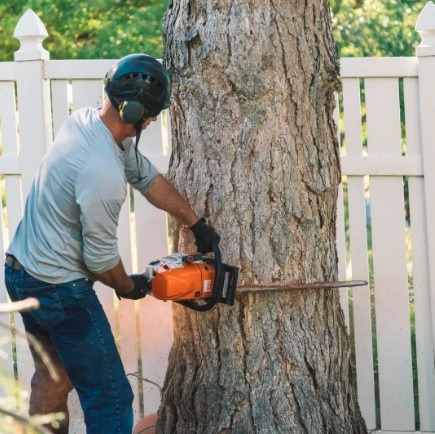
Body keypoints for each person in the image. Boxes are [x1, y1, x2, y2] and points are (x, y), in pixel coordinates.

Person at [4, 53, 220, 434]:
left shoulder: (87, 122)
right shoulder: (101, 171)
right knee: (110, 398)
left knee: (51, 380)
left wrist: (195, 222)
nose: (152, 120)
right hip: (60, 290)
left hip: (21, 272)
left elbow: (148, 178)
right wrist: (130, 286)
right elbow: (101, 259)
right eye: (151, 113)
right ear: (134, 109)